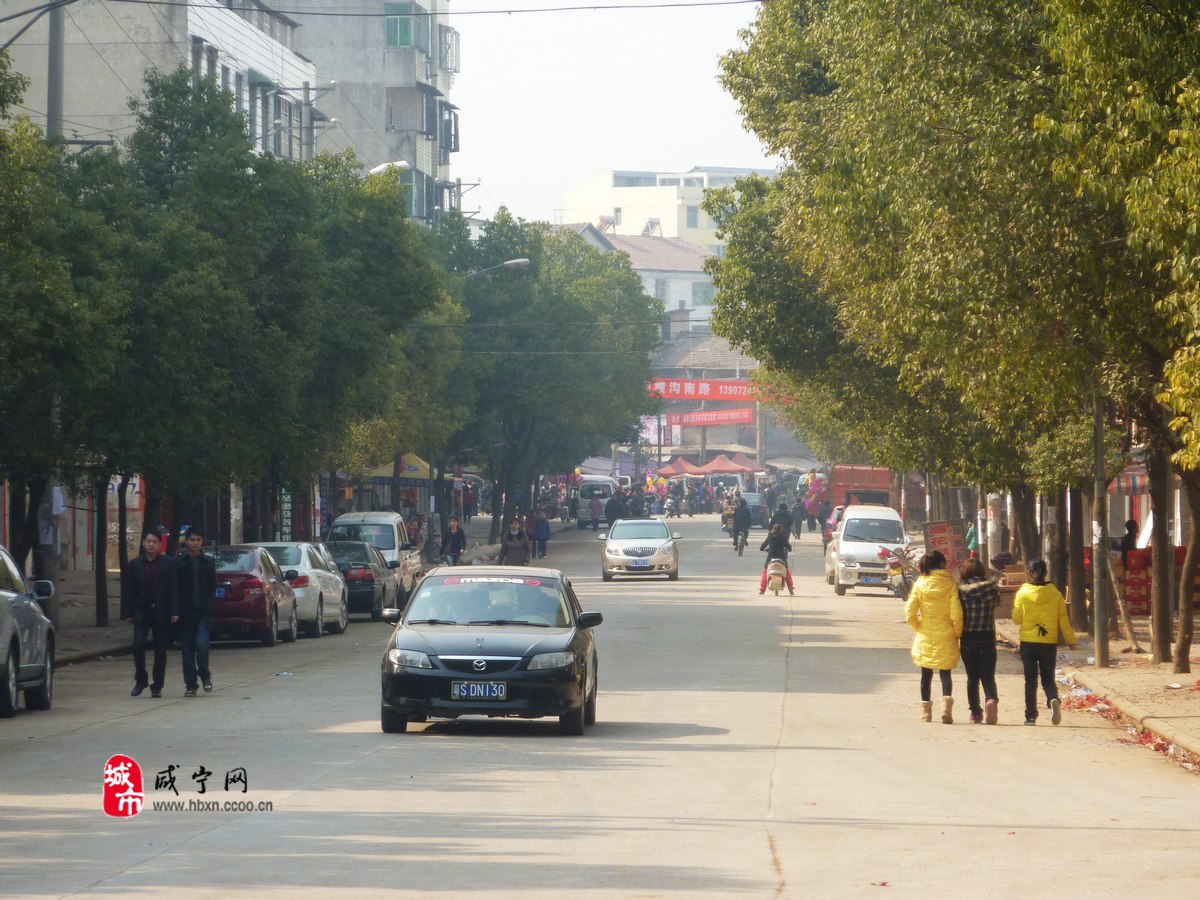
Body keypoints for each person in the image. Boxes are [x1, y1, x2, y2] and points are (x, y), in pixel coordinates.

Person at [1012, 558, 1076, 726]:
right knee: (1048, 677)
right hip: (1048, 642)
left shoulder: (1022, 593)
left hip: (1028, 642)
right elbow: (1063, 619)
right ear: (1046, 572)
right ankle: (1052, 699)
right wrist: (1071, 640)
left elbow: (1016, 619)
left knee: (1030, 680)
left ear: (1030, 574)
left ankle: (1030, 716)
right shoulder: (1055, 594)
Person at [904, 550, 963, 723]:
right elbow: (956, 614)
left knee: (926, 675)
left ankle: (926, 713)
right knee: (945, 674)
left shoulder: (920, 584)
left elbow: (910, 613)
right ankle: (946, 709)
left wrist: (920, 627)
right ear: (943, 565)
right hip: (947, 634)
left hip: (926, 634)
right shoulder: (951, 585)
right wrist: (957, 632)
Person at [121, 531, 179, 698]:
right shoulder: (135, 564)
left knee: (160, 650)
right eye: (148, 541)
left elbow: (174, 588)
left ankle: (157, 685)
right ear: (143, 543)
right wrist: (129, 612)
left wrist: (175, 611)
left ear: (160, 544)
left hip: (162, 611)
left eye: (155, 542)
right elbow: (129, 590)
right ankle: (141, 679)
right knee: (138, 645)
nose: (151, 544)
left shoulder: (169, 564)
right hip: (142, 610)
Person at [958, 557, 999, 724]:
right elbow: (996, 604)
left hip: (968, 639)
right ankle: (990, 699)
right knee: (988, 677)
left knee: (972, 678)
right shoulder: (992, 589)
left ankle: (975, 713)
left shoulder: (960, 590)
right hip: (987, 638)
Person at [176, 526, 216, 697]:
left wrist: (209, 607)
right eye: (192, 540)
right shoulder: (178, 563)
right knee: (187, 650)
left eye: (198, 540)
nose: (195, 543)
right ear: (186, 541)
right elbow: (175, 588)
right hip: (184, 613)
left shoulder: (208, 563)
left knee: (202, 646)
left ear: (202, 542)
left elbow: (212, 587)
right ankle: (190, 685)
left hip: (202, 612)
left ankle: (205, 675)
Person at [758, 524, 795, 595]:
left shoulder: (770, 536)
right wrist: (789, 549)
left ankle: (762, 589)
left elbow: (763, 545)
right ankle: (791, 590)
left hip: (770, 558)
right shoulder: (782, 537)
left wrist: (762, 549)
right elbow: (788, 547)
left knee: (765, 572)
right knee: (786, 573)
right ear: (781, 530)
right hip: (781, 557)